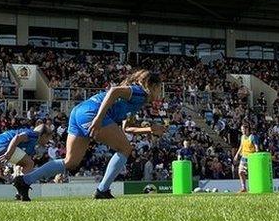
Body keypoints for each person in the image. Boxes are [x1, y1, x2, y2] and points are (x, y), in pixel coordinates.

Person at [11, 70, 166, 200]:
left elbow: (127, 128)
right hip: (92, 114)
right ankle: (102, 190)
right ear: (151, 86)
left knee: (70, 161)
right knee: (125, 149)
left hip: (79, 112)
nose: (160, 93)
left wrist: (150, 129)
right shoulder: (139, 92)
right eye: (159, 88)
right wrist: (98, 118)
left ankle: (25, 180)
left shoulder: (137, 102)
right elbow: (114, 91)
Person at [232, 123, 262, 194]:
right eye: (242, 130)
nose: (243, 131)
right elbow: (241, 146)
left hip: (251, 158)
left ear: (247, 129)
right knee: (240, 172)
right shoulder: (242, 137)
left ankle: (254, 187)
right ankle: (243, 188)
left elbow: (256, 147)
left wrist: (256, 153)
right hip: (243, 157)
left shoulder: (252, 137)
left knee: (252, 174)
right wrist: (236, 155)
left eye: (244, 129)